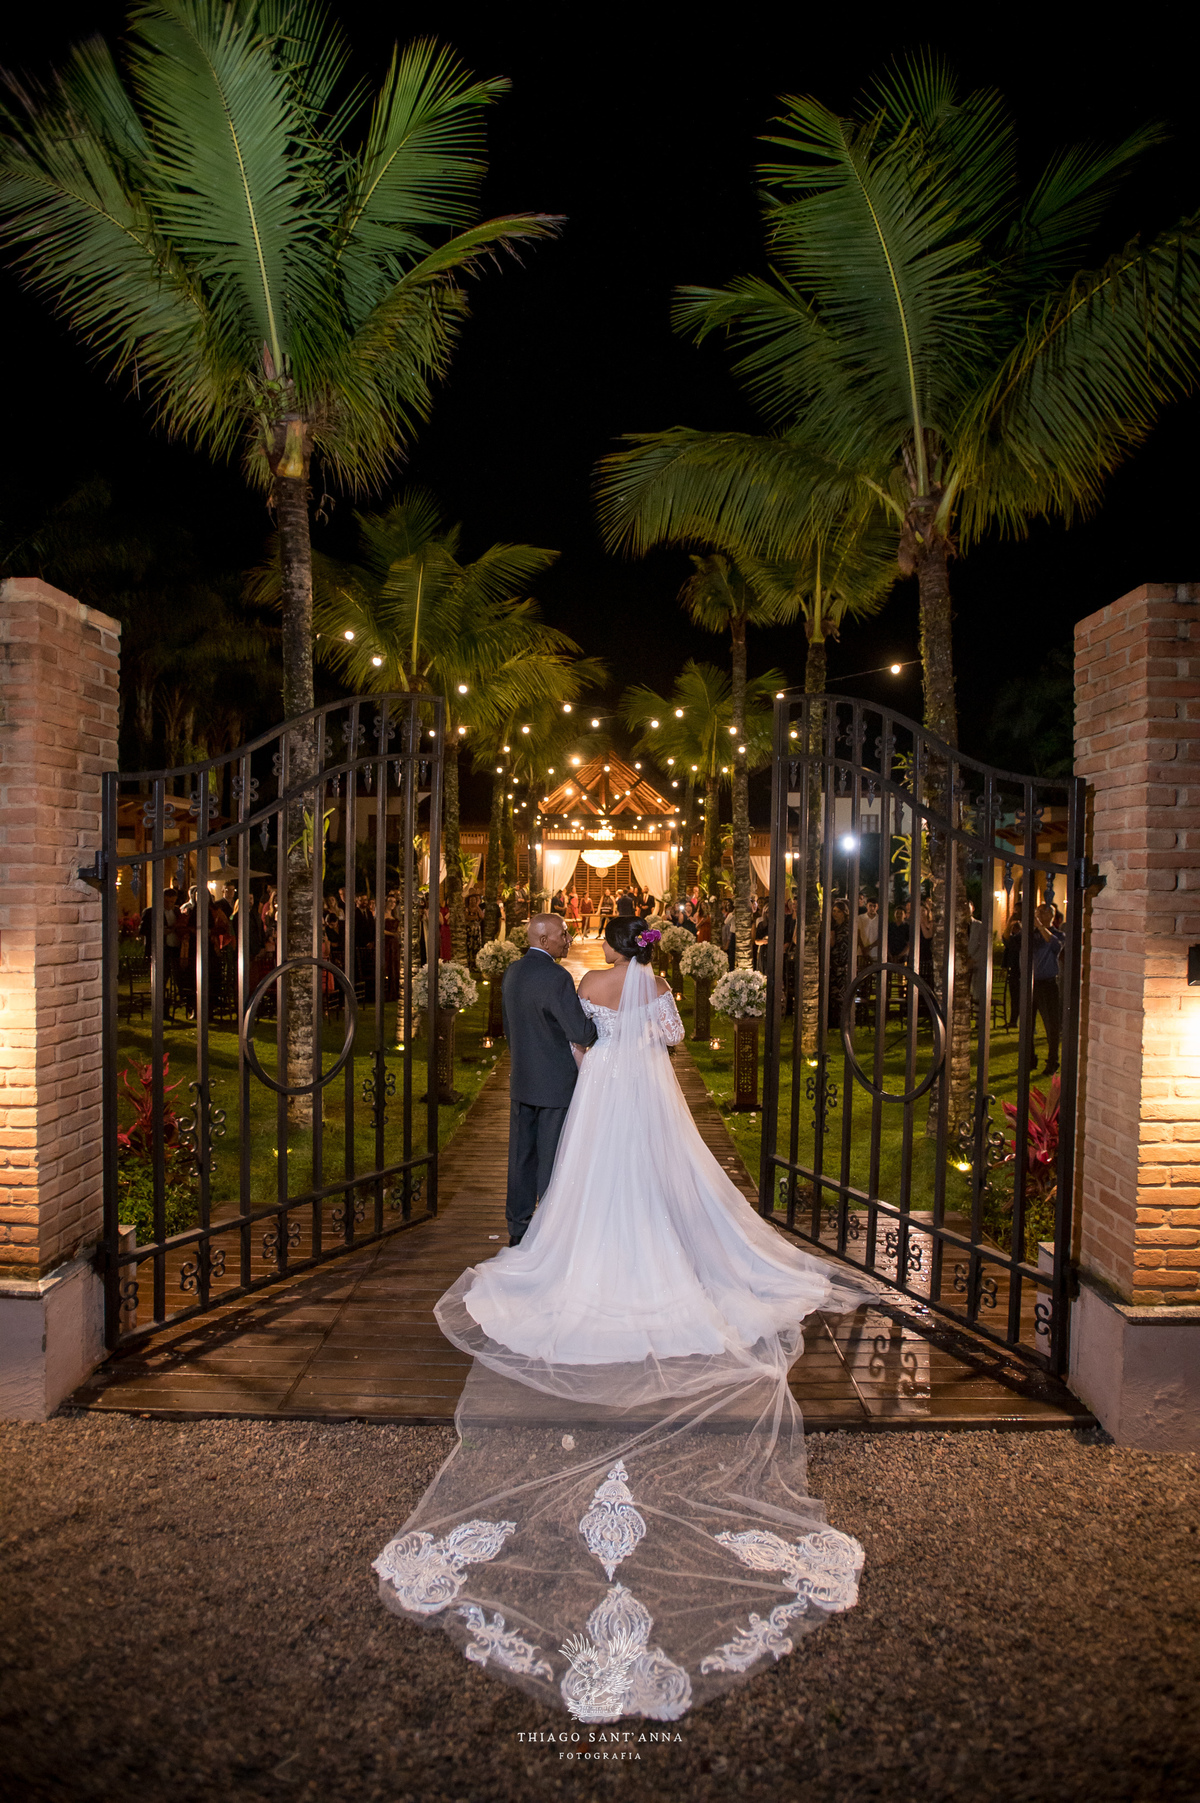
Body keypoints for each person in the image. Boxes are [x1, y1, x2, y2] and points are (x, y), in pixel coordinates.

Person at [375, 910, 873, 1721]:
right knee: (659, 1189)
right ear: (648, 943)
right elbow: (669, 1038)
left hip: (604, 1100)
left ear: (607, 942)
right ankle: (672, 1264)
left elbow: (586, 1039)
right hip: (649, 1103)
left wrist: (601, 1046)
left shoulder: (590, 981)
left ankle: (588, 1260)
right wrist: (638, 1035)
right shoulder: (660, 984)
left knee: (590, 1194)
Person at [499, 913, 599, 1246]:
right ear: (544, 940)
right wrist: (603, 1019)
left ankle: (518, 1228)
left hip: (522, 1078)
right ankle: (549, 1230)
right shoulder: (557, 977)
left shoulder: (513, 971)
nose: (568, 939)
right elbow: (580, 1031)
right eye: (564, 934)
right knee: (551, 1158)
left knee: (521, 1157)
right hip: (555, 1082)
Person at [1027, 900, 1064, 1075]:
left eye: (1043, 911)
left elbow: (1055, 945)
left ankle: (1052, 1061)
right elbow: (1011, 941)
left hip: (1047, 984)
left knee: (1051, 1026)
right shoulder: (1030, 934)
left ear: (1051, 915)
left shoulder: (1057, 934)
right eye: (1038, 912)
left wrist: (1040, 927)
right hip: (1030, 984)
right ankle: (1029, 1059)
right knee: (1027, 1024)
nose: (1039, 914)